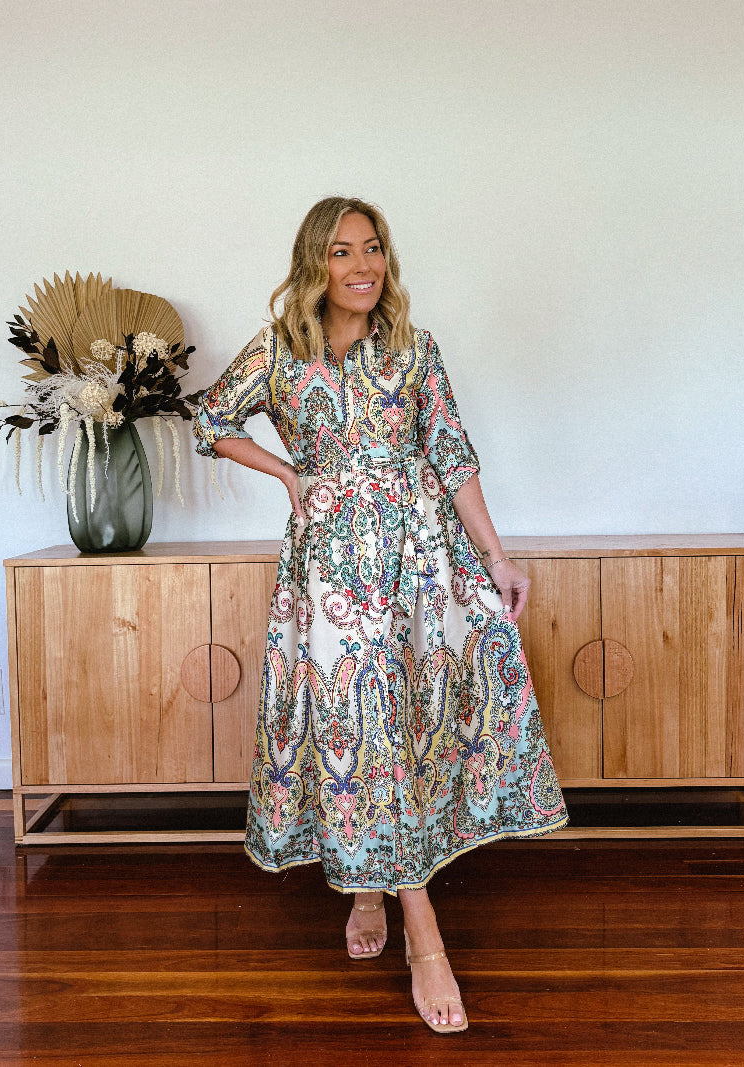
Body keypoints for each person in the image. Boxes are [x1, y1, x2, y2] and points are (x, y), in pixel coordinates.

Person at [193, 196, 568, 1033]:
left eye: (373, 249)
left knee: (410, 721)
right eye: (341, 252)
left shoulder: (415, 348)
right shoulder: (280, 352)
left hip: (422, 558)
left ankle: (369, 885)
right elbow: (209, 421)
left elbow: (453, 454)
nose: (361, 265)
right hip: (333, 569)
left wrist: (498, 559)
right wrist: (289, 474)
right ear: (313, 264)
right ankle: (423, 933)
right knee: (364, 729)